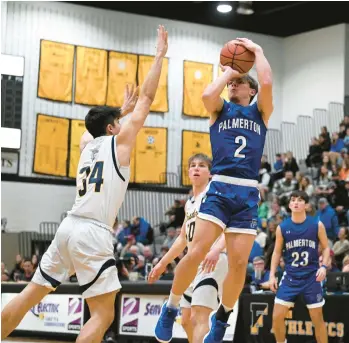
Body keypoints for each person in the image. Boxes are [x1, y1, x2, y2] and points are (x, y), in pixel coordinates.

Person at [1, 25, 168, 342]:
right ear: (111, 127)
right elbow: (147, 97)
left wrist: (119, 111)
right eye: (118, 122)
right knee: (104, 315)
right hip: (93, 232)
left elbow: (91, 129)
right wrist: (159, 55)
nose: (123, 125)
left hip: (67, 228)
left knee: (27, 296)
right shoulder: (118, 145)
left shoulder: (85, 146)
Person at [155, 38, 273, 343]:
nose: (234, 86)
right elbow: (208, 93)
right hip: (220, 187)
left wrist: (257, 52)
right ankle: (170, 307)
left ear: (251, 90)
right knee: (195, 252)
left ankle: (223, 318)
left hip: (246, 192)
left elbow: (268, 82)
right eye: (232, 83)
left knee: (237, 265)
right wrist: (228, 71)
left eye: (240, 83)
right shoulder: (219, 109)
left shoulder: (261, 112)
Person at [149, 154, 227, 343]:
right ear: (188, 172)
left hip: (212, 260)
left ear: (210, 173)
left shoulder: (215, 195)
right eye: (193, 166)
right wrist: (162, 264)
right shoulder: (190, 203)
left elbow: (231, 228)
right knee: (185, 321)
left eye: (202, 166)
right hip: (193, 263)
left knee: (200, 316)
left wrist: (216, 249)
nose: (196, 168)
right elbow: (183, 238)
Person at [270, 190, 330, 343]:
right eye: (293, 200)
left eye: (300, 200)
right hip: (290, 276)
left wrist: (323, 267)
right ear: (289, 205)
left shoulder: (317, 224)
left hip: (311, 277)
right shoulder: (282, 228)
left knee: (318, 319)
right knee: (276, 317)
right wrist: (271, 276)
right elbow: (276, 253)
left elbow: (326, 247)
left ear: (307, 205)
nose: (296, 202)